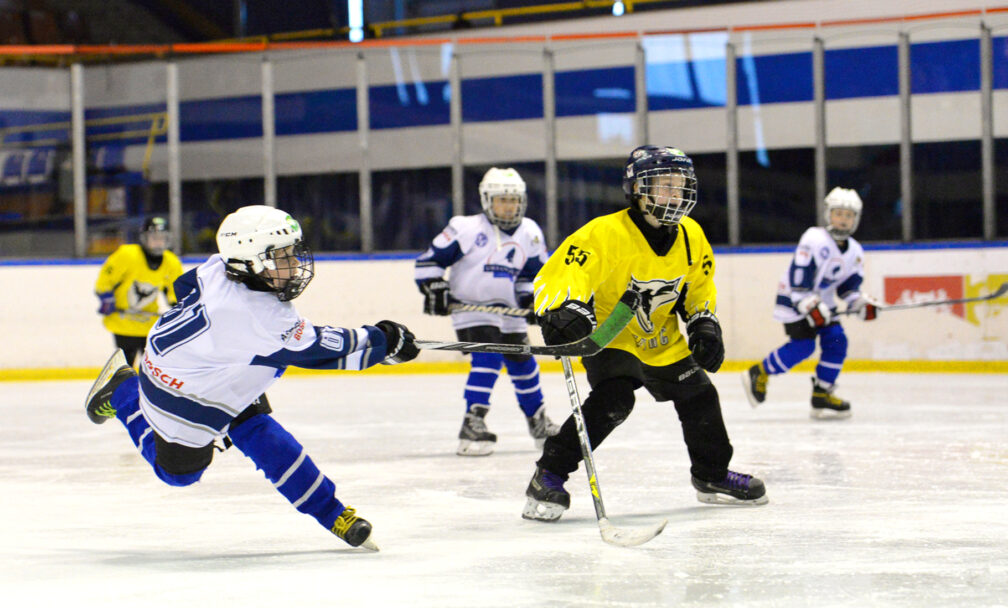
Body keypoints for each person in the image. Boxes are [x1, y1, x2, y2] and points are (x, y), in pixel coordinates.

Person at [84, 205, 420, 550]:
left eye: (292, 252)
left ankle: (332, 513)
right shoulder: (258, 318)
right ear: (250, 262)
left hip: (211, 369)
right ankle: (123, 390)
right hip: (178, 391)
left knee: (261, 434)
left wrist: (210, 346)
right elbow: (323, 350)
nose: (295, 264)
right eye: (282, 256)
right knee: (180, 474)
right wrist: (384, 342)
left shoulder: (220, 268)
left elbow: (185, 285)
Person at [522, 146, 768, 522]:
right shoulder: (605, 233)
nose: (675, 194)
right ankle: (549, 475)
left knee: (700, 396)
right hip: (613, 333)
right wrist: (563, 309)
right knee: (614, 400)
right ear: (638, 190)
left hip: (662, 339)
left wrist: (703, 322)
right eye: (664, 186)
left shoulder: (691, 234)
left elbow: (698, 286)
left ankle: (711, 475)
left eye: (681, 186)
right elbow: (562, 274)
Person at [415, 167, 559, 456]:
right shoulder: (465, 228)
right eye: (501, 199)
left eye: (514, 200)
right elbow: (428, 263)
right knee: (488, 356)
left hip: (509, 312)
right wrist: (434, 288)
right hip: (472, 308)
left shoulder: (530, 232)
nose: (509, 206)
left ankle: (538, 421)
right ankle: (473, 422)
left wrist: (531, 300)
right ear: (486, 200)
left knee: (523, 364)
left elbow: (531, 276)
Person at [741, 187, 880, 419]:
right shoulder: (814, 238)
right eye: (838, 213)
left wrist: (859, 304)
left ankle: (822, 393)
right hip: (794, 298)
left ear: (856, 219)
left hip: (821, 302)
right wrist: (808, 304)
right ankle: (759, 372)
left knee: (837, 341)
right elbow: (799, 277)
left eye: (849, 215)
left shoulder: (855, 251)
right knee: (804, 346)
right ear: (828, 214)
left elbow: (848, 288)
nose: (843, 220)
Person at [94, 217, 183, 367]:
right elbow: (106, 278)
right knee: (125, 369)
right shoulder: (128, 255)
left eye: (162, 238)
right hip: (123, 323)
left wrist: (178, 308)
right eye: (154, 238)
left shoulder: (171, 262)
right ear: (144, 239)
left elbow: (175, 292)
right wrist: (106, 297)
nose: (158, 242)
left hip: (149, 325)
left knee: (151, 369)